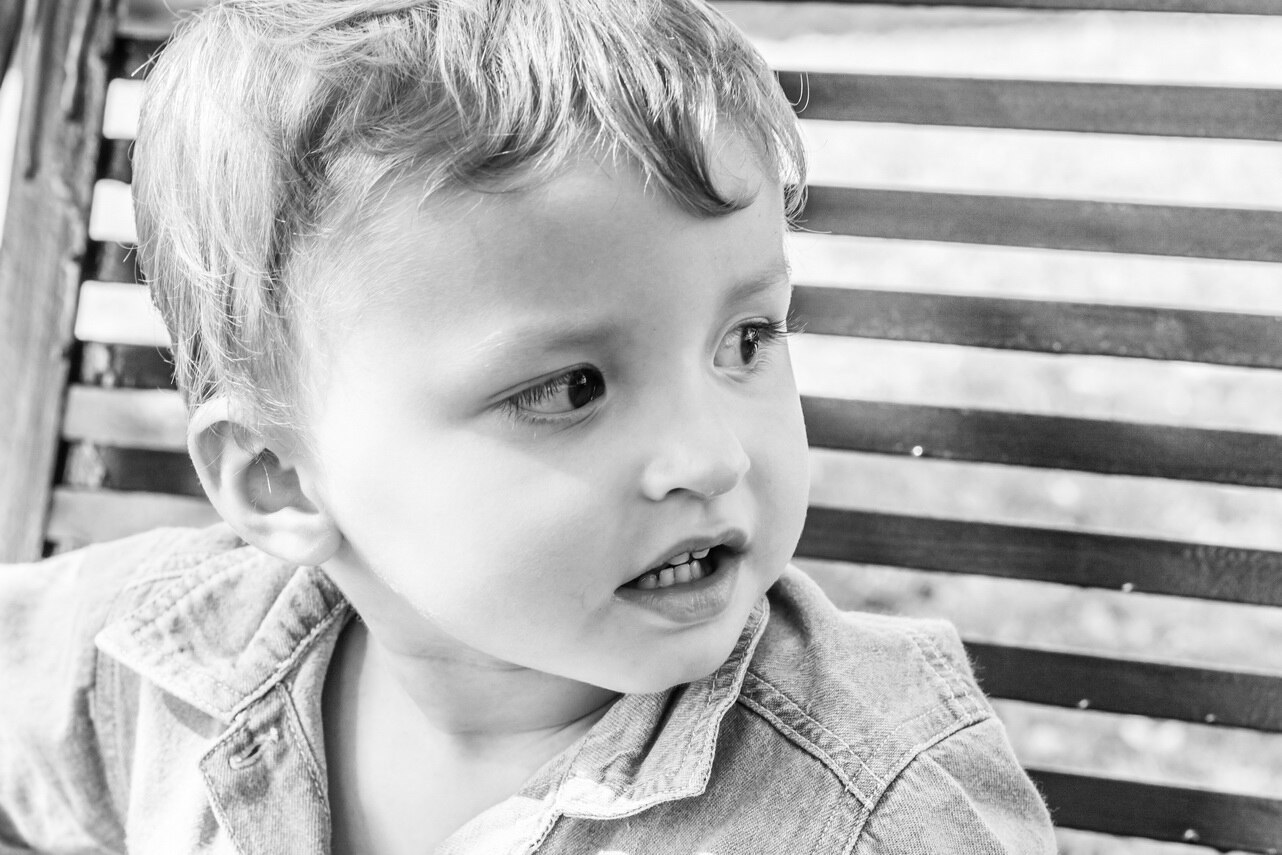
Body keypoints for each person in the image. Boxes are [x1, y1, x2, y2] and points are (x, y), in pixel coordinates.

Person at [0, 1, 1057, 852]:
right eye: (570, 389)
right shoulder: (162, 660)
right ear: (281, 476)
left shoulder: (873, 807)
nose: (712, 456)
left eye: (746, 339)